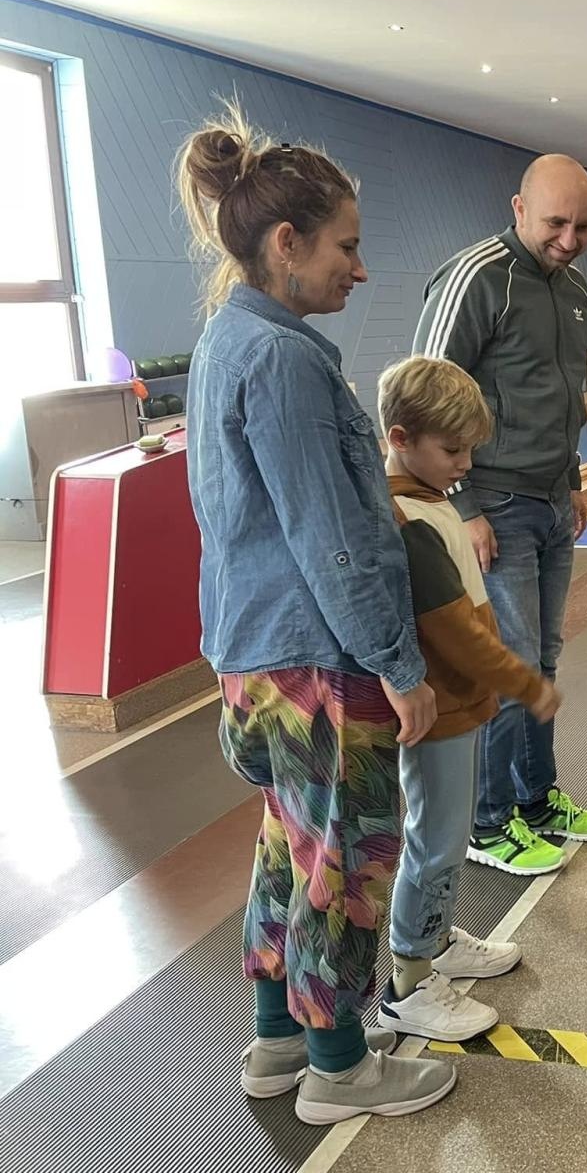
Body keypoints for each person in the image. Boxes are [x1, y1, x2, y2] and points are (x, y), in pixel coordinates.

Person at [177, 104, 454, 1124]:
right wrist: (400, 664)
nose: (360, 269)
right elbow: (328, 534)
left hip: (250, 655)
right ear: (284, 243)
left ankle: (279, 1041)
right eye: (346, 247)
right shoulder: (286, 358)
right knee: (345, 862)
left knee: (285, 848)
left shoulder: (225, 340)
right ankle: (341, 1068)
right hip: (318, 659)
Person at [413, 154, 587, 875]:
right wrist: (459, 506)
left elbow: (565, 396)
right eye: (556, 222)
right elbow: (424, 396)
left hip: (553, 503)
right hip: (492, 504)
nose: (569, 238)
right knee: (509, 665)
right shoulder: (477, 277)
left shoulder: (576, 288)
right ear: (519, 208)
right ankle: (488, 822)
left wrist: (573, 480)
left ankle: (536, 800)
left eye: (583, 226)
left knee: (543, 661)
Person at [376, 356, 564, 1040]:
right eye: (452, 449)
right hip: (441, 711)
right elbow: (452, 629)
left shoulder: (431, 502)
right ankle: (409, 979)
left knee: (448, 838)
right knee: (435, 839)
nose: (465, 463)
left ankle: (438, 942)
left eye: (470, 450)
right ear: (400, 437)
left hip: (460, 706)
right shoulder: (410, 518)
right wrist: (525, 683)